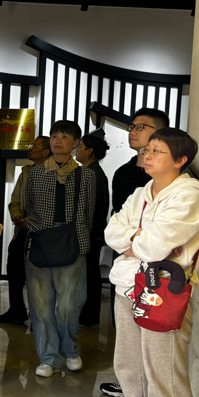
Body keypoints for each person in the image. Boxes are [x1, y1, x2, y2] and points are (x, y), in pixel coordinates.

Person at [98, 128, 199, 397]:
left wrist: (135, 241)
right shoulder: (142, 192)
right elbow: (112, 232)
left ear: (180, 160)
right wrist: (137, 240)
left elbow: (154, 247)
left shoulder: (188, 195)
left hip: (163, 294)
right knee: (129, 367)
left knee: (164, 377)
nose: (147, 155)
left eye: (157, 151)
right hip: (128, 286)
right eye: (147, 149)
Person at [100, 107, 169, 397]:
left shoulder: (172, 177)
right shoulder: (123, 172)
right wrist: (130, 240)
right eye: (132, 126)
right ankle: (131, 388)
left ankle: (153, 394)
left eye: (141, 126)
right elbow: (116, 223)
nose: (133, 131)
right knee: (126, 329)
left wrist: (133, 239)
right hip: (126, 262)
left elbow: (161, 234)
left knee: (154, 332)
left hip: (159, 268)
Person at [24, 120, 96, 378]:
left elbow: (89, 213)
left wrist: (78, 235)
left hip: (73, 241)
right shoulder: (35, 173)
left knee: (69, 303)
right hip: (41, 241)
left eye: (64, 137)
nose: (57, 141)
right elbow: (28, 206)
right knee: (41, 304)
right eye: (54, 136)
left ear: (75, 143)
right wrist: (37, 228)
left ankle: (71, 350)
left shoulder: (86, 175)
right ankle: (48, 357)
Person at [0, 135, 51, 325]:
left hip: (42, 232)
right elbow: (15, 200)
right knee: (14, 268)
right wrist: (17, 216)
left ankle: (40, 317)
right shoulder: (26, 172)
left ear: (46, 152)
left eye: (34, 146)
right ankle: (17, 309)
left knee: (39, 276)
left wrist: (31, 220)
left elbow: (50, 206)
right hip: (22, 230)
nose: (30, 149)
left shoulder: (54, 173)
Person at [75, 129, 111, 326]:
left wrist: (94, 233)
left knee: (89, 275)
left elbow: (96, 207)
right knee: (87, 274)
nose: (77, 150)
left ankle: (89, 316)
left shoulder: (94, 174)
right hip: (90, 233)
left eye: (80, 147)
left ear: (89, 151)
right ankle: (87, 315)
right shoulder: (90, 171)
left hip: (90, 234)